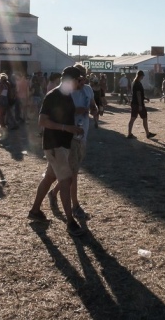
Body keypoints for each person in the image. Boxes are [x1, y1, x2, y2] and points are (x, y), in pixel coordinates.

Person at [27, 66, 87, 237]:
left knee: (50, 178)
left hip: (62, 144)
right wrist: (66, 128)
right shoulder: (53, 96)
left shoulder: (67, 96)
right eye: (79, 80)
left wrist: (73, 125)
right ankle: (70, 221)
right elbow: (42, 121)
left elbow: (62, 114)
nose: (81, 83)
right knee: (67, 181)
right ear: (72, 80)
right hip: (55, 145)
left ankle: (35, 210)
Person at [49, 64, 98, 219]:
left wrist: (95, 108)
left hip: (82, 136)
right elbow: (57, 113)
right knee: (73, 174)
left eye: (83, 76)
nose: (82, 80)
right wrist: (76, 111)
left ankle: (53, 193)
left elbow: (92, 104)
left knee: (71, 171)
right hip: (67, 136)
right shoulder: (65, 91)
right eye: (79, 77)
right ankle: (75, 206)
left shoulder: (88, 90)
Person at [127, 70, 156, 139]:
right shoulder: (138, 84)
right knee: (144, 118)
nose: (143, 77)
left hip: (134, 103)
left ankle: (129, 133)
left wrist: (145, 98)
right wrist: (140, 105)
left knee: (132, 118)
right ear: (140, 76)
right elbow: (138, 94)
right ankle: (147, 133)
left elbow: (136, 94)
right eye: (142, 76)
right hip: (138, 104)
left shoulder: (134, 83)